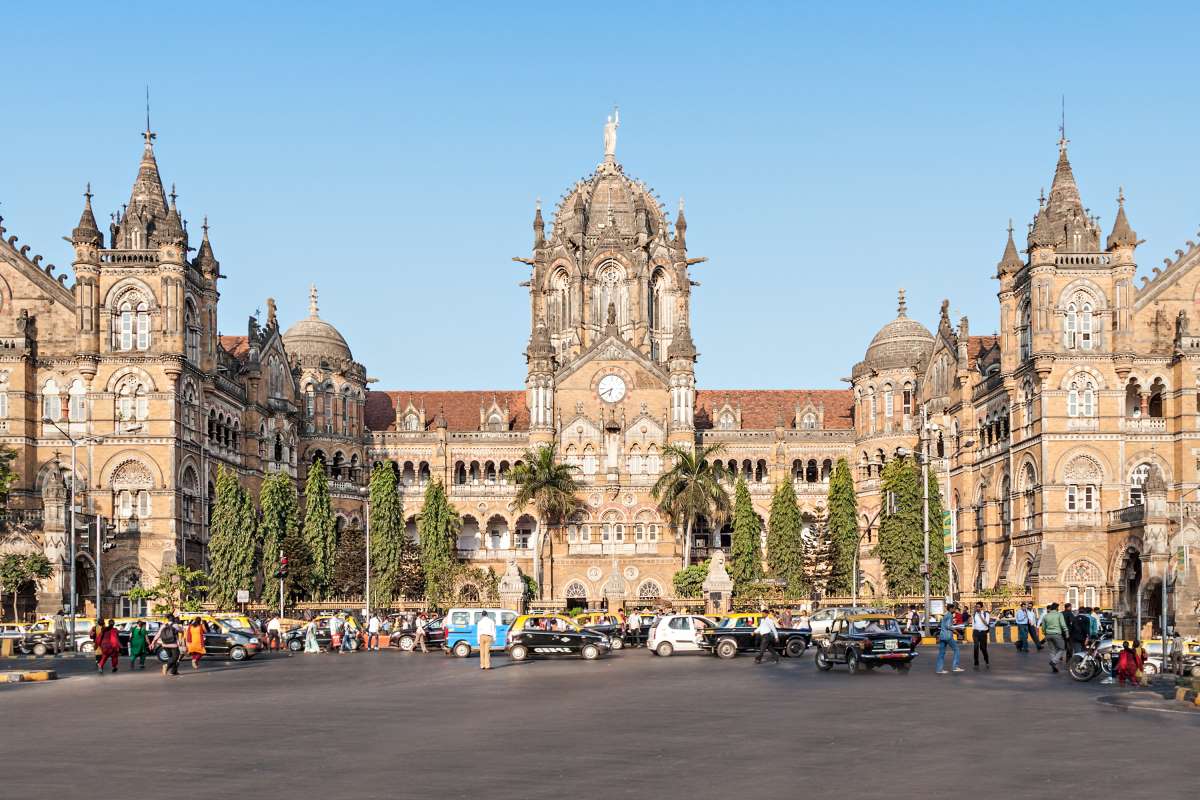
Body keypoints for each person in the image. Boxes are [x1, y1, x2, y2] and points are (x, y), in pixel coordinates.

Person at [935, 602, 964, 674]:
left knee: (941, 653)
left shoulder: (945, 615)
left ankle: (939, 669)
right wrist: (957, 633)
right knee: (956, 649)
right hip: (948, 636)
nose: (955, 610)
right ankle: (955, 667)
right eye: (954, 608)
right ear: (951, 609)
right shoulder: (949, 615)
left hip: (942, 636)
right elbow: (949, 626)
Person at [1041, 602, 1068, 673]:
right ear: (1056, 608)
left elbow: (1043, 627)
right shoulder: (1059, 614)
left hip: (1048, 634)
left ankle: (1054, 666)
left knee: (1052, 650)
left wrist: (1044, 633)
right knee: (1062, 648)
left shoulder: (1046, 616)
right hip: (1057, 634)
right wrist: (1066, 633)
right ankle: (1054, 661)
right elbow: (1063, 625)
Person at [971, 602, 993, 669]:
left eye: (978, 607)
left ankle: (987, 661)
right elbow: (973, 624)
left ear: (982, 607)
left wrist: (980, 616)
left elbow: (986, 623)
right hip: (976, 632)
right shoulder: (974, 614)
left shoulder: (986, 614)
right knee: (976, 647)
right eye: (976, 607)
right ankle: (976, 663)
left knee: (983, 648)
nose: (977, 608)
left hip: (983, 633)